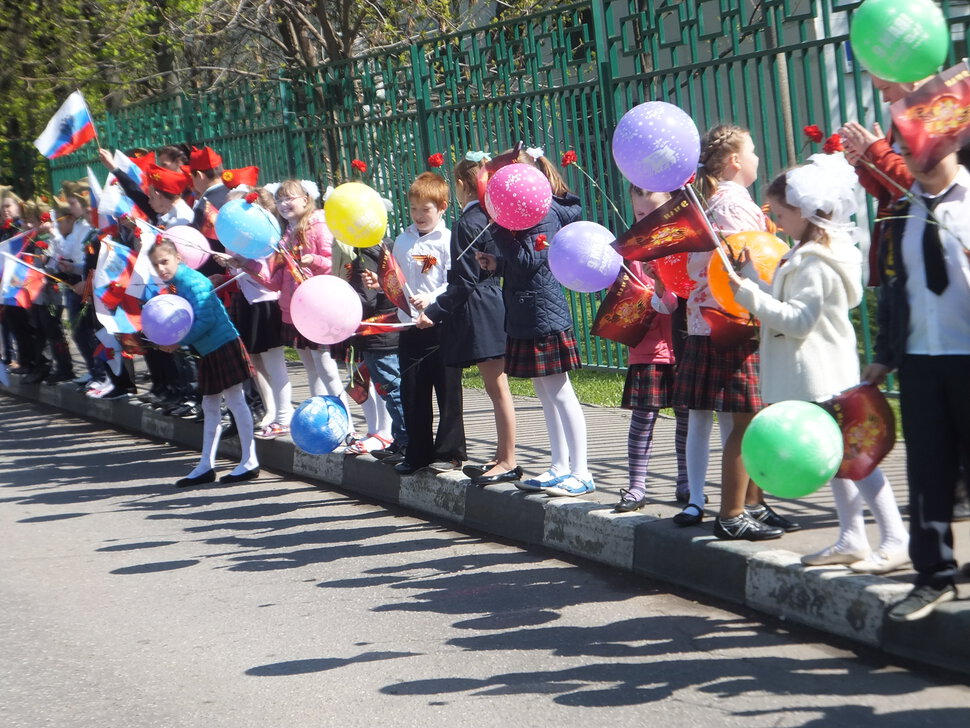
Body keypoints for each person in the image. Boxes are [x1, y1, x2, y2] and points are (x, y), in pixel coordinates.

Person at [729, 153, 908, 572]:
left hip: (820, 377)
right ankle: (852, 537)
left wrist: (751, 296)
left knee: (855, 462)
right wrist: (754, 280)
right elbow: (788, 304)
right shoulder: (805, 253)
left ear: (806, 211)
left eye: (779, 213)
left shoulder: (816, 262)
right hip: (813, 376)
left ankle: (896, 537)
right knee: (839, 462)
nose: (775, 223)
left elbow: (798, 320)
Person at [862, 140, 970, 621]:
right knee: (929, 469)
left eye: (929, 148)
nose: (917, 159)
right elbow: (892, 286)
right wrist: (885, 355)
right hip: (922, 360)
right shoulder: (900, 212)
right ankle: (934, 575)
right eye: (908, 151)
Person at [672, 123, 797, 538]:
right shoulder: (732, 204)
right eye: (754, 150)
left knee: (752, 417)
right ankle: (731, 515)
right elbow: (753, 266)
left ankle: (754, 505)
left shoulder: (713, 200)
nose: (759, 158)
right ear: (736, 161)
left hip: (713, 319)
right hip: (734, 319)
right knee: (748, 423)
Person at [476, 147, 592, 496]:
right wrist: (496, 264)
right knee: (545, 393)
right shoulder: (521, 217)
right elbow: (520, 263)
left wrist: (498, 231)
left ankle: (582, 471)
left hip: (545, 314)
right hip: (528, 312)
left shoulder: (542, 213)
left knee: (561, 392)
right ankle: (559, 465)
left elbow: (530, 261)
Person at [418, 152, 518, 485]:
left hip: (480, 310)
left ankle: (508, 458)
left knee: (496, 387)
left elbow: (464, 279)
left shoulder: (467, 223)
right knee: (496, 386)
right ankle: (503, 453)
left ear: (462, 185)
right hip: (494, 303)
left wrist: (433, 312)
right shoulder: (493, 217)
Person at [366, 172, 466, 474]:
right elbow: (398, 281)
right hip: (410, 325)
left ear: (443, 207)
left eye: (427, 209)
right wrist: (381, 285)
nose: (419, 215)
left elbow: (454, 280)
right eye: (414, 208)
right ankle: (417, 451)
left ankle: (449, 452)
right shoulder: (404, 240)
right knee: (413, 390)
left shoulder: (448, 240)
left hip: (440, 324)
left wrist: (432, 300)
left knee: (447, 390)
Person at [148, 238, 260, 487]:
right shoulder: (178, 284)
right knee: (210, 405)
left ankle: (250, 460)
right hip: (209, 348)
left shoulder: (192, 281)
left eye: (164, 262)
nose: (161, 269)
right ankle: (205, 465)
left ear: (178, 258)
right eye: (156, 265)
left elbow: (205, 319)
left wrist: (178, 341)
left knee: (236, 401)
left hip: (223, 343)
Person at [614, 186, 686, 512]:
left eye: (653, 213)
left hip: (681, 345)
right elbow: (630, 298)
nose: (646, 220)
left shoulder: (681, 245)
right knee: (644, 418)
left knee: (687, 416)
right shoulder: (633, 251)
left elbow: (674, 303)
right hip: (648, 349)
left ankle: (687, 481)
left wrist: (662, 287)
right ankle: (637, 486)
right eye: (640, 214)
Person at [252, 179, 346, 409]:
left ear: (306, 199)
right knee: (312, 370)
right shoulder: (286, 236)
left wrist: (313, 260)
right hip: (294, 310)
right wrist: (246, 266)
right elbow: (275, 283)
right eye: (280, 199)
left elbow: (334, 264)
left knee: (327, 369)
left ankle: (345, 423)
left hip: (317, 307)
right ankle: (323, 415)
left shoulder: (319, 225)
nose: (284, 204)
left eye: (289, 198)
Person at [215, 188, 292, 440]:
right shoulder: (240, 237)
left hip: (266, 303)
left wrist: (241, 263)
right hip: (248, 301)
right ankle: (271, 410)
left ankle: (285, 413)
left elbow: (267, 273)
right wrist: (229, 264)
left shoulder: (265, 234)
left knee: (274, 362)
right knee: (256, 363)